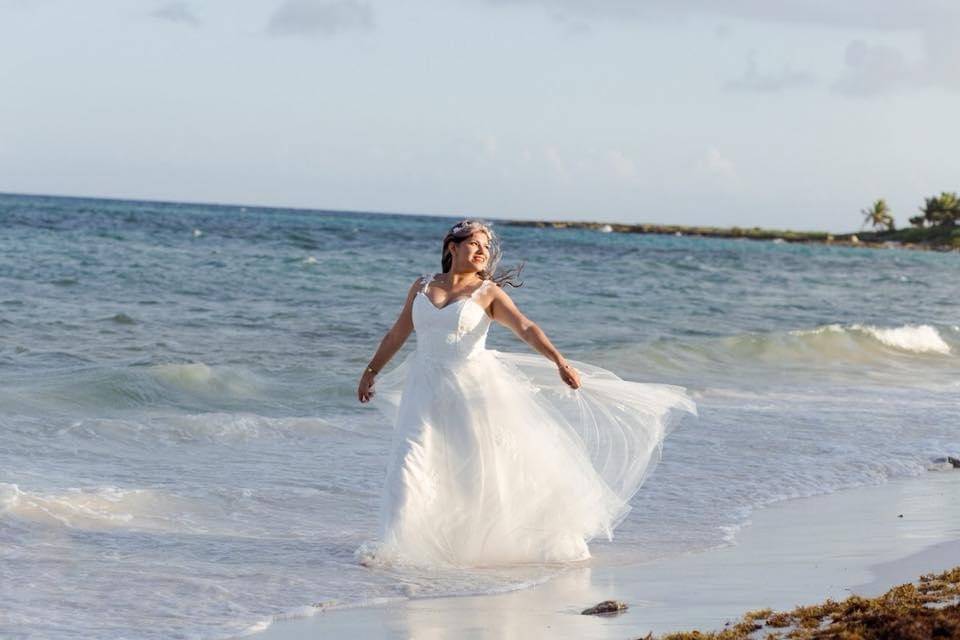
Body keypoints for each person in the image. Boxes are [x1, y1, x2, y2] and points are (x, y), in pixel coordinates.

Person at [356, 219, 695, 567]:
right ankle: (396, 550)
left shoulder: (487, 293)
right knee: (409, 462)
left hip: (470, 391)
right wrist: (371, 371)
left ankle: (468, 546)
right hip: (422, 389)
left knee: (474, 471)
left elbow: (525, 326)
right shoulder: (422, 286)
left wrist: (559, 361)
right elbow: (397, 333)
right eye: (474, 243)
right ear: (452, 247)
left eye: (486, 247)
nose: (482, 251)